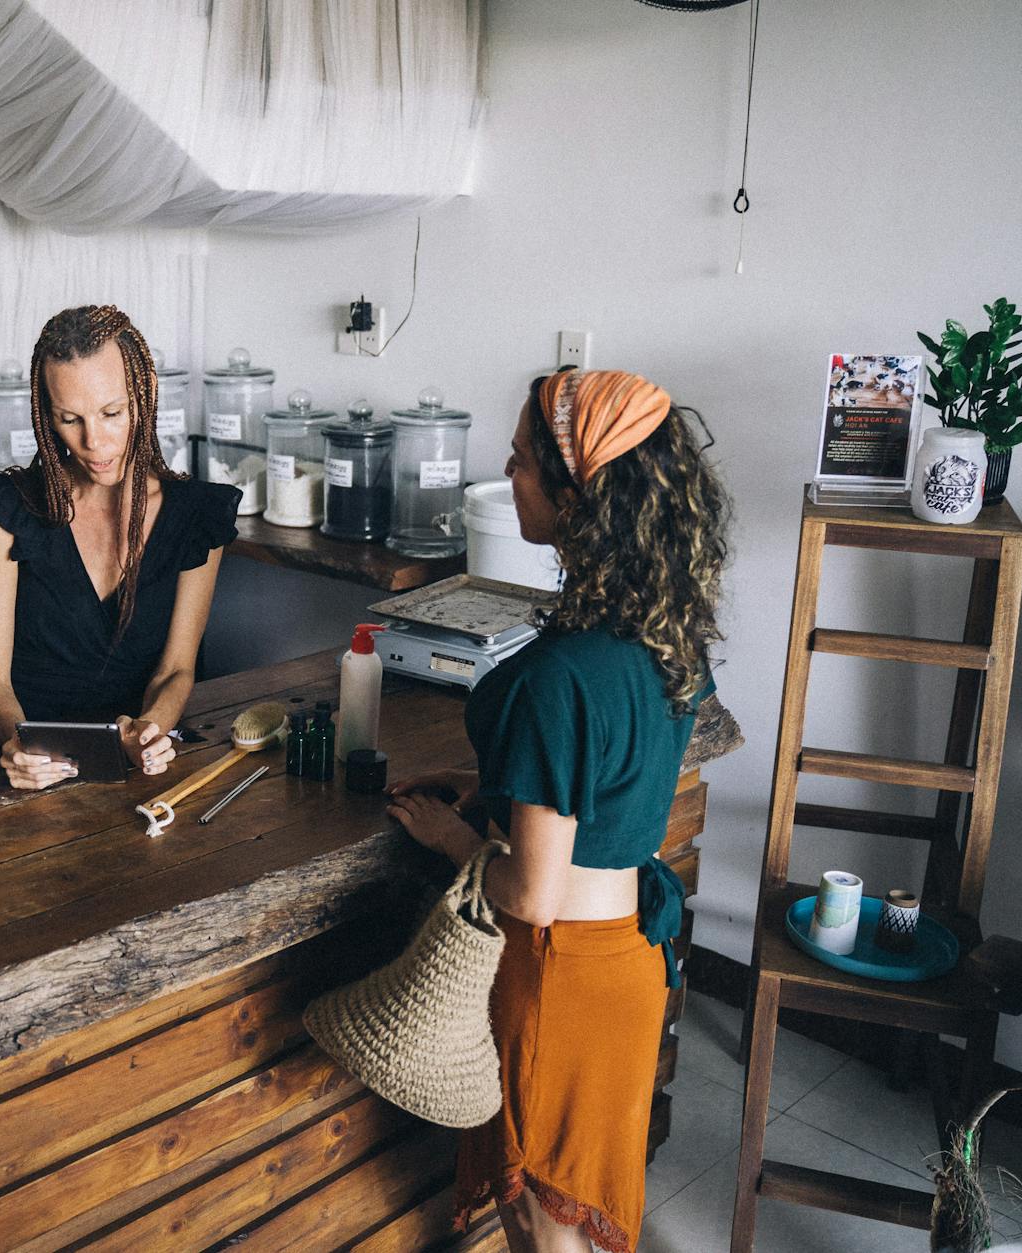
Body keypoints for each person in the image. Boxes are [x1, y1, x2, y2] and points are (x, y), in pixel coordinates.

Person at [387, 368, 729, 1253]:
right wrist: (499, 788)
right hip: (629, 966)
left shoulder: (555, 678)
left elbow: (533, 890)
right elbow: (605, 779)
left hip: (556, 977)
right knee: (579, 1221)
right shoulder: (663, 641)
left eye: (522, 462)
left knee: (541, 1228)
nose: (508, 473)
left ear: (581, 497)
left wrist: (452, 833)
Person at [0, 305, 240, 790]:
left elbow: (176, 669)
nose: (94, 442)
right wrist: (17, 742)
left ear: (145, 396)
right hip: (29, 769)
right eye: (69, 419)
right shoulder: (6, 511)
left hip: (138, 772)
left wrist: (151, 728)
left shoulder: (196, 517)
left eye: (112, 413)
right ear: (46, 417)